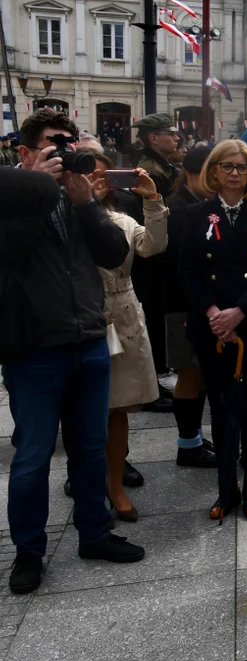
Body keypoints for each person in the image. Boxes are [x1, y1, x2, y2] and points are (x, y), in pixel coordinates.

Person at [3, 109, 146, 594]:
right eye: (51, 144)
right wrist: (34, 195)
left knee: (89, 446)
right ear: (25, 152)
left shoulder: (80, 196)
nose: (63, 152)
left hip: (89, 338)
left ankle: (94, 532)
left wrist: (86, 204)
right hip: (34, 348)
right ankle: (28, 551)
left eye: (68, 143)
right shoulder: (10, 198)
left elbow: (111, 254)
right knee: (33, 455)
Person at [179, 139, 247, 521]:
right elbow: (188, 270)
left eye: (241, 167)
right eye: (227, 166)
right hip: (213, 328)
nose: (234, 173)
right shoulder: (197, 213)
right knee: (221, 409)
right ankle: (227, 489)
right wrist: (212, 312)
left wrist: (239, 311)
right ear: (214, 170)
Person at [88, 151, 169, 523]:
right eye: (91, 176)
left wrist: (151, 199)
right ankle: (88, 484)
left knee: (118, 409)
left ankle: (115, 485)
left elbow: (154, 245)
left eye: (106, 176)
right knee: (84, 410)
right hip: (84, 316)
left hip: (122, 315)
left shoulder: (122, 220)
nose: (99, 182)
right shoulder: (63, 221)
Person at [163, 145, 219, 469]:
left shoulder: (196, 203)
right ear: (194, 174)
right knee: (188, 372)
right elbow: (181, 265)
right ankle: (188, 444)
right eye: (212, 175)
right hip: (183, 305)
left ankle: (194, 436)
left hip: (194, 302)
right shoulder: (181, 208)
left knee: (197, 374)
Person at [132, 113, 182, 411]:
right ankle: (148, 387)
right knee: (151, 319)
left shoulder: (162, 165)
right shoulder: (150, 169)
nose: (176, 138)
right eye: (170, 133)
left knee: (156, 319)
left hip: (160, 253)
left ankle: (153, 382)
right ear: (153, 138)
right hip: (152, 257)